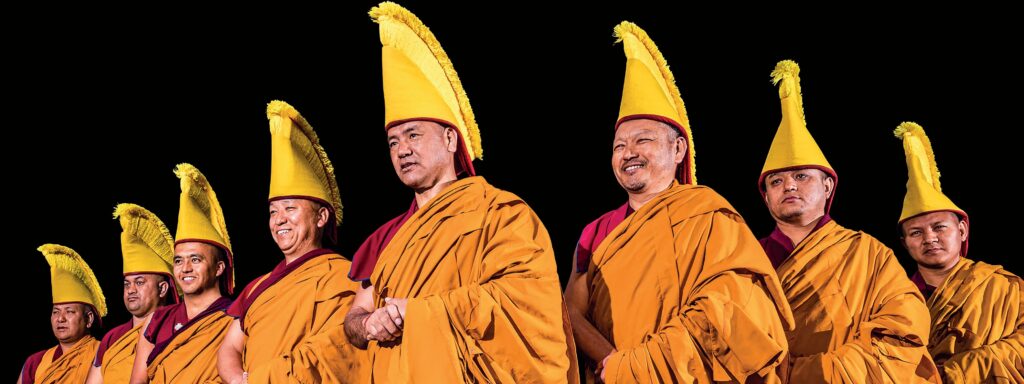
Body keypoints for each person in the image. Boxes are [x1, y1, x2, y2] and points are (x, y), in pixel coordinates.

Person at [344, 3, 577, 382]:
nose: (402, 150)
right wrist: (369, 325)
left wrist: (418, 313)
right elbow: (354, 318)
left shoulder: (500, 213)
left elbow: (527, 303)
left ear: (451, 139)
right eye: (392, 142)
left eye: (414, 135)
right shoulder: (387, 238)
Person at [563, 21, 793, 383]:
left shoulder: (708, 215)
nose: (629, 153)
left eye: (643, 141)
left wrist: (645, 364)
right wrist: (619, 364)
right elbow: (572, 315)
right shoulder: (596, 232)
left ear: (678, 149)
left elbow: (731, 308)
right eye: (619, 146)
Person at [757, 60, 938, 382]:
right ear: (766, 196)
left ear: (828, 186)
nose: (789, 186)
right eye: (776, 182)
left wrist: (826, 370)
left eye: (801, 176)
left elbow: (905, 322)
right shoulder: (748, 257)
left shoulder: (868, 253)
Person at [217, 102, 366, 383]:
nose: (279, 219)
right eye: (273, 212)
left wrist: (266, 378)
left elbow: (336, 352)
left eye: (290, 208)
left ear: (321, 216)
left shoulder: (343, 277)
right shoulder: (258, 287)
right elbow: (230, 347)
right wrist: (239, 380)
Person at [895, 121, 1024, 382]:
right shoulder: (896, 298)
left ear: (962, 230)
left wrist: (958, 371)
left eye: (939, 227)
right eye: (916, 233)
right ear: (905, 243)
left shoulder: (1003, 288)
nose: (929, 238)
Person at [129, 163, 235, 383]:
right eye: (179, 260)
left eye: (195, 259)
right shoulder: (156, 321)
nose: (185, 268)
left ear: (219, 268)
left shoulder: (234, 317)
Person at [86, 204, 177, 384]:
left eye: (140, 282)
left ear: (163, 289)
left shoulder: (176, 325)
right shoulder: (112, 338)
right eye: (127, 283)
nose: (131, 289)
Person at [20, 244, 107, 384]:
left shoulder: (103, 354)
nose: (60, 318)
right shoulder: (35, 362)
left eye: (70, 311)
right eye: (56, 312)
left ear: (89, 319)